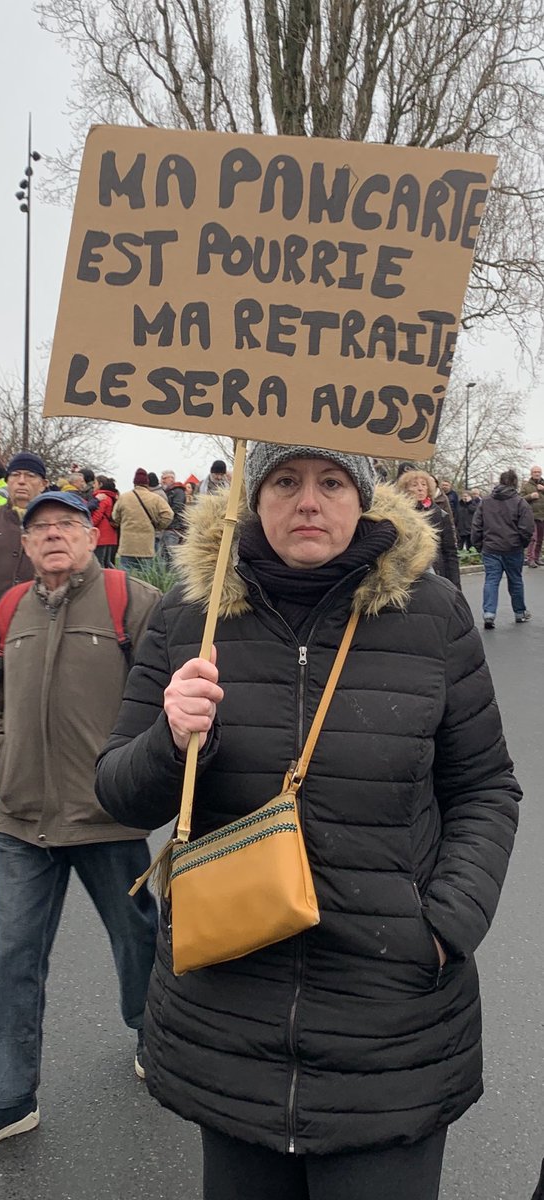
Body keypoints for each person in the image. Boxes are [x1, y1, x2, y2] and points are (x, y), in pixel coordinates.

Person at [96, 443, 520, 1200]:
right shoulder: (191, 617)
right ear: (253, 499)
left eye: (332, 482)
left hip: (391, 1028)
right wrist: (171, 740)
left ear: (364, 497)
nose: (309, 502)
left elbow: (486, 785)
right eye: (285, 482)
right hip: (228, 1022)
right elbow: (121, 797)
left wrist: (445, 924)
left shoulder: (432, 612)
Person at [0, 491, 161, 1150]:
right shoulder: (8, 611)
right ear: (26, 545)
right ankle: (9, 1096)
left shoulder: (132, 601)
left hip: (107, 816)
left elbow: (168, 689)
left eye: (66, 525)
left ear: (92, 537)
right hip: (22, 817)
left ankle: (152, 1035)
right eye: (40, 529)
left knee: (139, 940)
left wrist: (136, 772)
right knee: (12, 958)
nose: (52, 536)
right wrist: (0, 757)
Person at [470, 469, 534, 629]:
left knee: (491, 580)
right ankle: (519, 612)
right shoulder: (520, 502)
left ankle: (489, 614)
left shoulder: (485, 501)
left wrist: (479, 545)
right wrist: (522, 543)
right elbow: (526, 527)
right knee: (516, 580)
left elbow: (477, 525)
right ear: (514, 483)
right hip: (513, 547)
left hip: (491, 547)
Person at [0, 452, 47, 603]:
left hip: (36, 614)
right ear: (7, 481)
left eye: (30, 475)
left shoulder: (54, 525)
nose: (21, 481)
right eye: (15, 475)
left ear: (43, 484)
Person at [396, 469, 460, 587]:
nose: (420, 488)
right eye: (414, 485)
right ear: (405, 489)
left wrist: (455, 585)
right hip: (407, 575)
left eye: (424, 484)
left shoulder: (440, 514)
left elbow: (450, 552)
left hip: (435, 573)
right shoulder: (398, 514)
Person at [112, 468, 173, 572]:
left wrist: (122, 522)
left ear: (134, 483)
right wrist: (159, 526)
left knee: (126, 579)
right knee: (145, 579)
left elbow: (115, 516)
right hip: (146, 547)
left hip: (128, 546)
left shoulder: (124, 498)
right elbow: (169, 514)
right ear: (147, 483)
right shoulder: (155, 498)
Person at [92, 475, 119, 567]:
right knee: (107, 562)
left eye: (95, 483)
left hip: (102, 534)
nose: (93, 485)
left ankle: (104, 581)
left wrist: (89, 525)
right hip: (110, 534)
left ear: (100, 484)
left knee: (99, 563)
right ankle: (117, 577)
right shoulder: (112, 497)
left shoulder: (102, 498)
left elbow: (97, 516)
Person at [521, 465, 544, 567]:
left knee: (540, 538)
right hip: (531, 516)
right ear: (531, 473)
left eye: (538, 472)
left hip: (542, 515)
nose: (537, 473)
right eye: (535, 472)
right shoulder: (526, 486)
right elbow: (519, 499)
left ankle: (537, 558)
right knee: (533, 538)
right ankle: (530, 559)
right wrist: (530, 496)